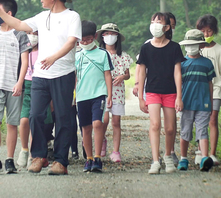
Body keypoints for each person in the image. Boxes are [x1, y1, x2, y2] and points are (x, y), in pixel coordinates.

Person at [0, 0, 81, 176]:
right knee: (35, 115)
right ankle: (38, 156)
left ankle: (61, 161)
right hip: (40, 75)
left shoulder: (72, 17)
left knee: (62, 117)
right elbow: (19, 24)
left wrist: (54, 57)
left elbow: (72, 42)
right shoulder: (42, 16)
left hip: (63, 73)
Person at [0, 0, 31, 174]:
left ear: (8, 13)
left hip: (14, 86)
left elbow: (25, 60)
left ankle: (9, 159)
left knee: (12, 123)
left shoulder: (20, 34)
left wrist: (20, 82)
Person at [136, 12, 184, 174]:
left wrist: (179, 96)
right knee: (155, 124)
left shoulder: (174, 47)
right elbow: (142, 72)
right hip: (152, 91)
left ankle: (168, 155)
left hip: (170, 92)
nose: (155, 24)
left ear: (167, 27)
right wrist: (141, 98)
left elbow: (178, 73)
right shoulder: (146, 48)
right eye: (153, 21)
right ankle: (155, 160)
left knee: (170, 128)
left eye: (159, 21)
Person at [75, 20, 113, 173]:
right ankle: (89, 158)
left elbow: (107, 74)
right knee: (85, 127)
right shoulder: (77, 55)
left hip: (99, 94)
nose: (85, 42)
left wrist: (109, 94)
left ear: (95, 36)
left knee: (98, 123)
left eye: (89, 39)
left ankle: (98, 157)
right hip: (82, 96)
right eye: (82, 40)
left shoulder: (103, 54)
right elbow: (75, 76)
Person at [177, 29, 215, 172]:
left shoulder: (207, 63)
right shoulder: (180, 64)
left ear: (201, 45)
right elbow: (177, 83)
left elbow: (210, 84)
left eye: (195, 44)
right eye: (189, 44)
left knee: (202, 131)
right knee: (185, 131)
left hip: (203, 104)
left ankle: (204, 158)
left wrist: (210, 102)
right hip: (186, 103)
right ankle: (183, 158)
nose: (192, 46)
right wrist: (177, 99)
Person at [17, 31, 55, 168]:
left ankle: (34, 155)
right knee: (25, 118)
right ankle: (24, 149)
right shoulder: (23, 50)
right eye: (28, 33)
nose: (31, 36)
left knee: (36, 119)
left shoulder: (45, 51)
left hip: (41, 83)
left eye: (34, 33)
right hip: (27, 84)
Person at [197, 14, 221, 164]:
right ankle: (201, 151)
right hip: (200, 89)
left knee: (213, 119)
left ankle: (212, 153)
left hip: (216, 89)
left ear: (214, 31)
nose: (206, 34)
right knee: (200, 120)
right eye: (203, 31)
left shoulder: (219, 50)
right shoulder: (196, 49)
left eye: (209, 31)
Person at [97, 23, 132, 163]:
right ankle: (102, 140)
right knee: (104, 120)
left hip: (118, 91)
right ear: (102, 36)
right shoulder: (99, 54)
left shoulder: (123, 56)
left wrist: (122, 77)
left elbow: (128, 74)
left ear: (117, 37)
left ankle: (116, 151)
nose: (109, 36)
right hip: (102, 90)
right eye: (106, 34)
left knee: (116, 121)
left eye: (112, 34)